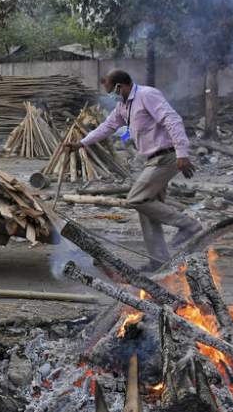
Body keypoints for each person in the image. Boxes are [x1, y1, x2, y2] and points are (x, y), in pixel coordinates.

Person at [67, 69, 203, 271]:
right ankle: (159, 262)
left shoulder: (147, 95)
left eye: (110, 90)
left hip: (167, 156)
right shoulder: (124, 106)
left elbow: (172, 120)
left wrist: (182, 153)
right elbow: (107, 126)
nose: (109, 95)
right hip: (153, 159)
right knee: (147, 208)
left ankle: (189, 225)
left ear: (120, 86)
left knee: (136, 199)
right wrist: (81, 144)